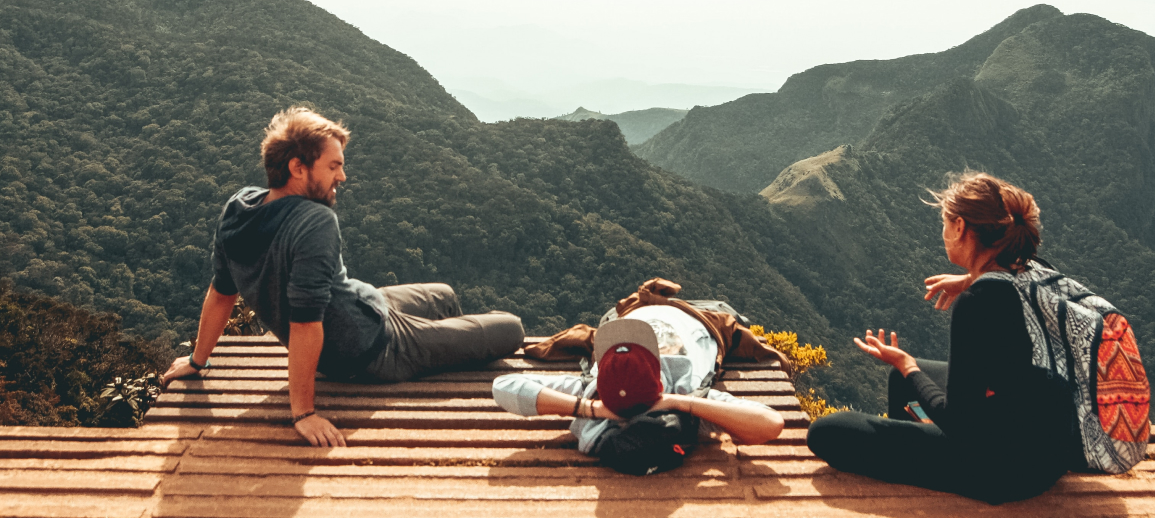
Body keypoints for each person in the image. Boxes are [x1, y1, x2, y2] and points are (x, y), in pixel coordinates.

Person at [162, 107, 525, 447]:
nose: (342, 176)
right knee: (511, 329)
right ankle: (441, 349)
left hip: (364, 305)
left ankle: (447, 343)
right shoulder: (315, 222)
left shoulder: (239, 207)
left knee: (444, 294)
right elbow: (305, 323)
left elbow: (221, 292)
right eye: (333, 166)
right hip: (374, 348)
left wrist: (197, 360)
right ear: (297, 168)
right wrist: (303, 413)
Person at [806, 171, 1080, 504]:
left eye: (945, 223)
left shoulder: (976, 303)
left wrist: (907, 364)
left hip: (1005, 471)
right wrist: (969, 279)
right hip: (1052, 450)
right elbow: (1005, 286)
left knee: (827, 432)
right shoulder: (1033, 270)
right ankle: (921, 456)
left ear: (960, 226)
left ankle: (930, 463)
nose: (944, 232)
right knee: (899, 380)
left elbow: (959, 424)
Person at [492, 303, 785, 462]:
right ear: (660, 379)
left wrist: (591, 409)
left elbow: (503, 386)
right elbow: (771, 424)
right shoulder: (685, 390)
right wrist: (677, 402)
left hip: (626, 313)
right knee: (732, 311)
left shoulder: (593, 391)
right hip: (699, 315)